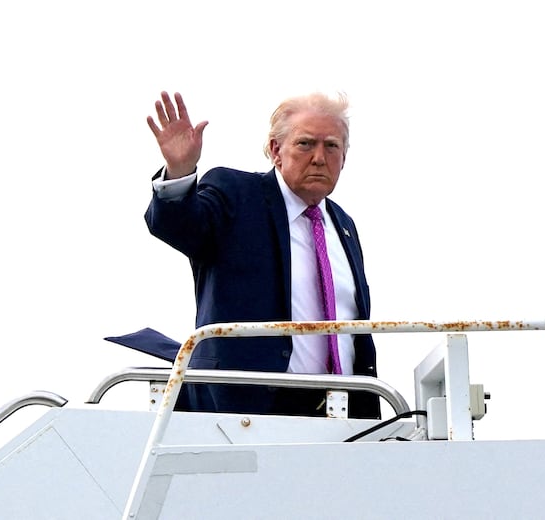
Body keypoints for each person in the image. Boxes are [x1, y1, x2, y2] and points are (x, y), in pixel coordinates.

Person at [122, 91, 379, 419]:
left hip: (340, 410)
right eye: (305, 144)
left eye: (331, 146)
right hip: (248, 406)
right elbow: (178, 226)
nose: (319, 157)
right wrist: (179, 172)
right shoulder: (237, 194)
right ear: (275, 150)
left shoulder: (343, 225)